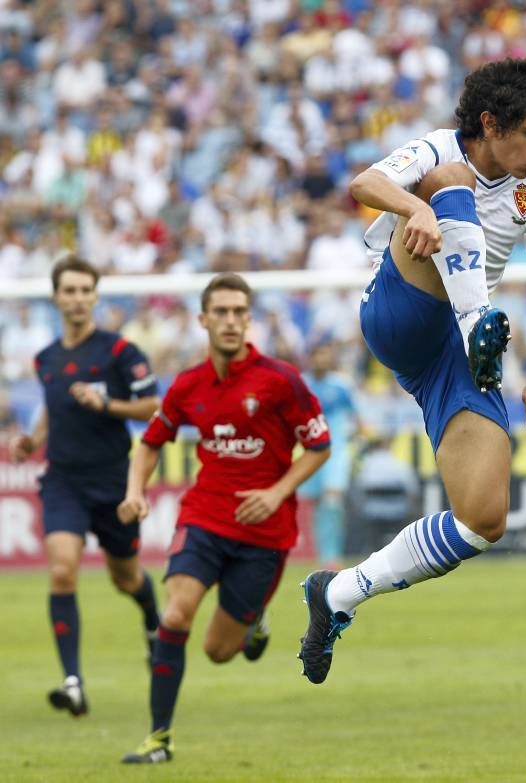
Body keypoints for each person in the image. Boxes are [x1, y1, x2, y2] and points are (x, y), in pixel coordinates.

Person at [298, 58, 526, 684]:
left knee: (483, 518)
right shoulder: (442, 149)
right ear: (489, 123)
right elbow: (366, 183)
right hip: (402, 309)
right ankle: (480, 318)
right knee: (446, 183)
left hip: (453, 355)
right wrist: (414, 208)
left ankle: (338, 594)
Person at [118, 273, 331, 764]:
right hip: (206, 517)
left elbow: (319, 446)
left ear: (248, 320)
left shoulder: (280, 380)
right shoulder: (188, 386)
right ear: (203, 320)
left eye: (240, 312)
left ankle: (254, 624)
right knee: (174, 615)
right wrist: (135, 492)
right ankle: (158, 739)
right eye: (222, 312)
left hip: (265, 533)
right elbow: (150, 442)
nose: (231, 321)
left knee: (217, 650)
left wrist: (277, 493)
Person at [9, 255, 161, 716]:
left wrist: (106, 403)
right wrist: (32, 439)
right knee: (61, 570)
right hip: (63, 480)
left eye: (84, 290)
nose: (76, 298)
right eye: (68, 290)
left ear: (95, 296)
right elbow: (54, 408)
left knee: (126, 577)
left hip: (113, 481)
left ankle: (153, 624)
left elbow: (152, 406)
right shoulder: (45, 358)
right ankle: (72, 681)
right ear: (55, 297)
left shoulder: (118, 352)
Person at [297, 338, 360, 569]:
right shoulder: (301, 385)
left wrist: (357, 441)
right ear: (310, 358)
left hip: (336, 452)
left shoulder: (341, 385)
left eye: (324, 354)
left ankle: (332, 556)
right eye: (316, 355)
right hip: (310, 451)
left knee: (332, 501)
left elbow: (358, 417)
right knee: (315, 505)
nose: (320, 359)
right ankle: (323, 555)